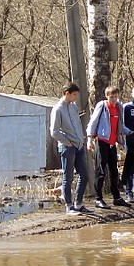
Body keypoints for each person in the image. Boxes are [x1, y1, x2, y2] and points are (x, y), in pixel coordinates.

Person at [50, 82, 92, 214]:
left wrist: (82, 139)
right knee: (68, 177)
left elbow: (78, 125)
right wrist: (66, 142)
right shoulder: (57, 109)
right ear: (66, 93)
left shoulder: (73, 107)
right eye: (73, 95)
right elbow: (54, 131)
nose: (75, 97)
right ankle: (69, 206)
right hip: (67, 147)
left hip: (79, 145)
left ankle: (78, 204)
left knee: (84, 175)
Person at [87, 86, 130, 208]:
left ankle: (116, 197)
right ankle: (98, 198)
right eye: (111, 97)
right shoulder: (102, 106)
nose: (114, 99)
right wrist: (90, 139)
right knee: (101, 170)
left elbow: (120, 126)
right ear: (107, 96)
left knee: (114, 171)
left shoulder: (119, 107)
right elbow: (93, 122)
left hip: (112, 142)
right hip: (102, 140)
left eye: (116, 97)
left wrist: (130, 133)